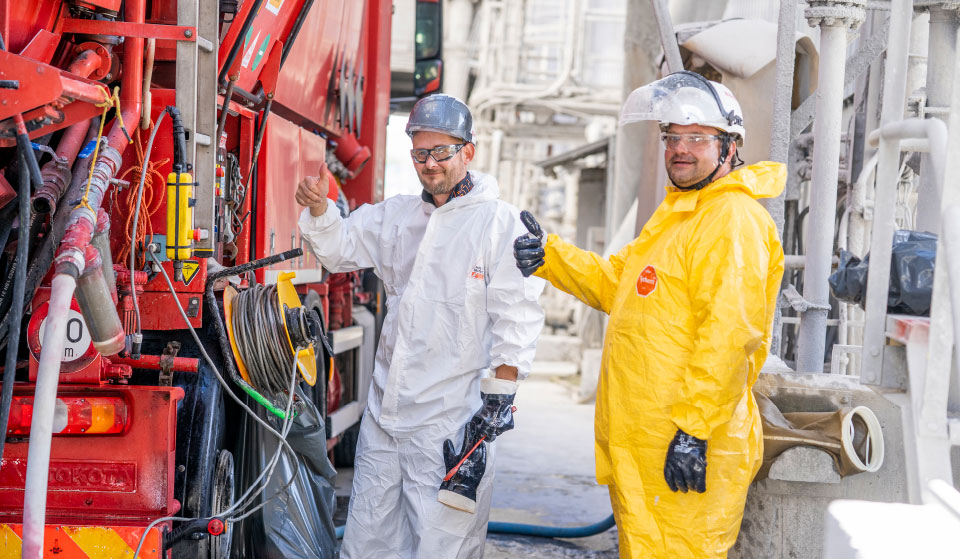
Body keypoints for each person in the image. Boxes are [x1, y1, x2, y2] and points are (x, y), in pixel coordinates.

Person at [514, 71, 785, 558]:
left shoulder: (731, 220)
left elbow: (729, 336)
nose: (680, 149)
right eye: (672, 138)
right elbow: (620, 286)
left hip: (686, 444)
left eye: (697, 138)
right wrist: (549, 257)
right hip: (648, 443)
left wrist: (694, 431)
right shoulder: (679, 215)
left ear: (729, 147)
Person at [297, 93, 545, 558]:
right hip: (386, 419)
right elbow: (340, 246)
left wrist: (498, 406)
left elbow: (518, 317)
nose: (430, 164)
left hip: (451, 423)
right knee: (368, 541)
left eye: (441, 152)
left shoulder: (499, 224)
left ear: (468, 151)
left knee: (441, 547)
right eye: (420, 153)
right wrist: (319, 211)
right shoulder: (397, 217)